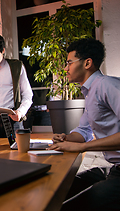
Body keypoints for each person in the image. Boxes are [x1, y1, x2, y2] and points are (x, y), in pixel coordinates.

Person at [47, 38, 120, 211]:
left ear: (87, 63)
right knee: (59, 187)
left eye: (69, 63)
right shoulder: (91, 92)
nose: (65, 68)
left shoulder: (107, 85)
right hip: (114, 167)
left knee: (71, 206)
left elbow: (84, 142)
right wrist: (66, 138)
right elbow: (84, 131)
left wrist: (82, 147)